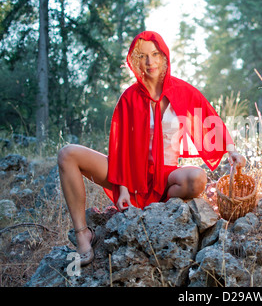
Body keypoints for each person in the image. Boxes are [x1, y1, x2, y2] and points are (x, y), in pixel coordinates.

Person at [57, 31, 246, 266]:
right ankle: (82, 234)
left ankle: (160, 210)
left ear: (164, 57)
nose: (150, 62)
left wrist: (231, 149)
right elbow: (120, 148)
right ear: (136, 60)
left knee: (197, 177)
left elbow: (208, 118)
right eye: (143, 56)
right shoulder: (128, 98)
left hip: (165, 177)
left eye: (155, 54)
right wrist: (123, 188)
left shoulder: (182, 91)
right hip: (128, 175)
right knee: (67, 154)